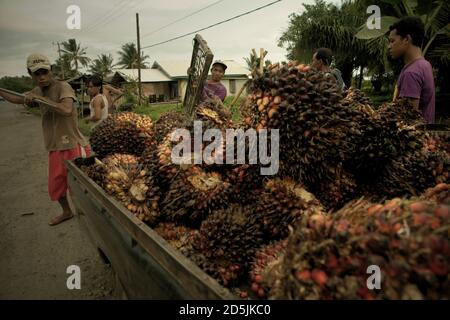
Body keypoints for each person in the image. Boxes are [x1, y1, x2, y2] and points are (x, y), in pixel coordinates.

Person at [0, 53, 90, 226]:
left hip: (72, 145)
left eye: (44, 72)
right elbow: (17, 98)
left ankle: (87, 215)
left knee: (80, 187)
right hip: (54, 147)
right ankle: (66, 212)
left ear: (51, 70)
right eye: (37, 74)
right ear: (30, 74)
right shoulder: (36, 91)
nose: (41, 77)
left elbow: (66, 109)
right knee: (56, 186)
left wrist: (41, 99)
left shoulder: (63, 87)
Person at [388, 16, 435, 124]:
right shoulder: (424, 64)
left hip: (414, 138)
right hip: (426, 136)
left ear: (406, 39)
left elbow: (408, 121)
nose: (389, 46)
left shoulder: (411, 73)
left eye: (392, 41)